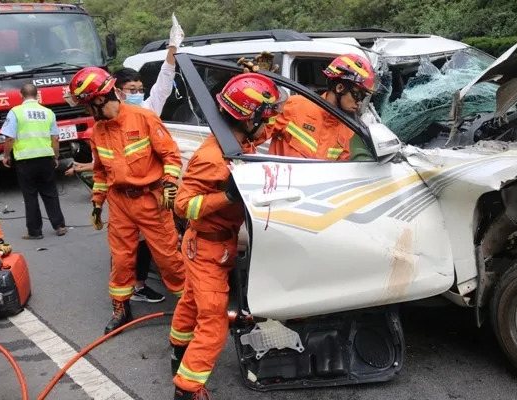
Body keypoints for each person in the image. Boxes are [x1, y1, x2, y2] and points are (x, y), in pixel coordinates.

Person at [169, 73, 287, 400]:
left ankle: (178, 349)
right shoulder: (212, 157)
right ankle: (187, 388)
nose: (268, 126)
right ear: (247, 119)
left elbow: (271, 127)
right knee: (213, 322)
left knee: (192, 301)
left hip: (216, 245)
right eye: (264, 119)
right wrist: (228, 197)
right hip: (205, 247)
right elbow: (182, 206)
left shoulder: (237, 141)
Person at [66, 13, 185, 304]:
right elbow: (101, 173)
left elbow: (170, 155)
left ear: (96, 100)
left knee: (169, 257)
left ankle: (188, 304)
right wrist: (97, 205)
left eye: (85, 105)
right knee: (121, 260)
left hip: (151, 200)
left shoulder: (144, 117)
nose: (85, 111)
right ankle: (120, 307)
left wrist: (169, 185)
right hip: (120, 204)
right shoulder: (98, 131)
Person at [262, 53, 376, 161]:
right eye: (357, 95)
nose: (360, 102)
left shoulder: (348, 130)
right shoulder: (294, 107)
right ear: (340, 88)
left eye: (363, 97)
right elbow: (250, 140)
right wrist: (258, 96)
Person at [1, 83, 67, 239]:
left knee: (30, 195)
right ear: (37, 95)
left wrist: (6, 155)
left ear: (21, 95)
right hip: (45, 159)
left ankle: (35, 232)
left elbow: (9, 138)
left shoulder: (15, 112)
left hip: (25, 160)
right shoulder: (48, 112)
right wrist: (55, 156)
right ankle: (60, 226)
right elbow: (55, 138)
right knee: (50, 193)